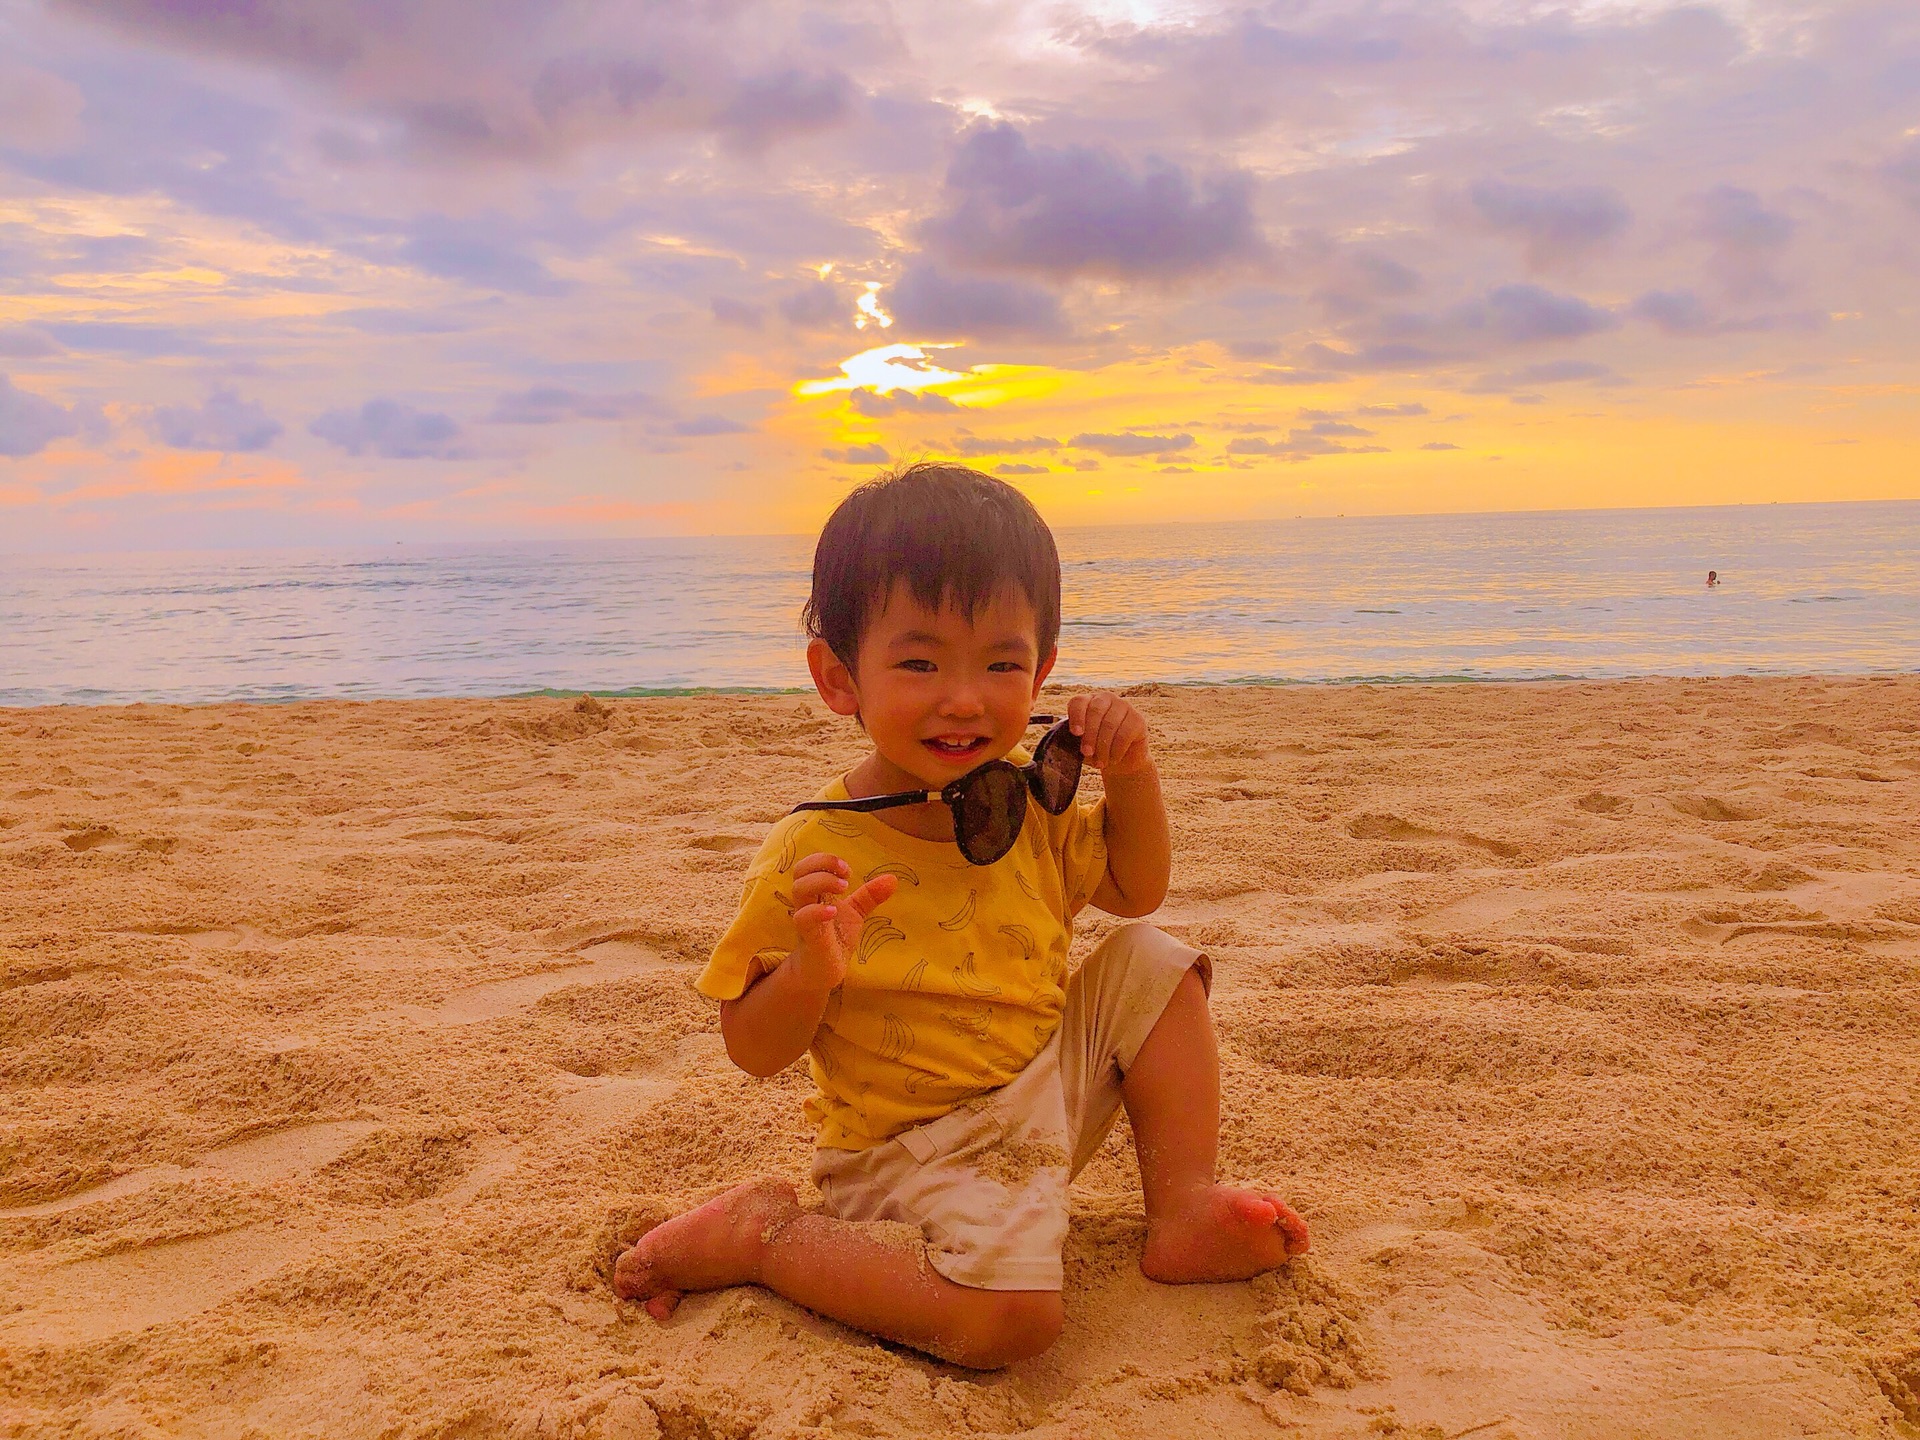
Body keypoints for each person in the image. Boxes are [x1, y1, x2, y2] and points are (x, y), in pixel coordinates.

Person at [611, 462, 1310, 1368]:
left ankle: (1183, 1209)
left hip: (1041, 1092)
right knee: (1010, 1324)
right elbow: (750, 1047)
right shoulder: (810, 852)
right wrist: (811, 974)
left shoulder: (1031, 806)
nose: (964, 697)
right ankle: (763, 1238)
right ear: (838, 677)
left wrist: (1131, 773)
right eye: (918, 661)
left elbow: (1137, 890)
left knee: (1153, 959)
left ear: (1043, 670)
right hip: (911, 1155)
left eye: (1000, 663)